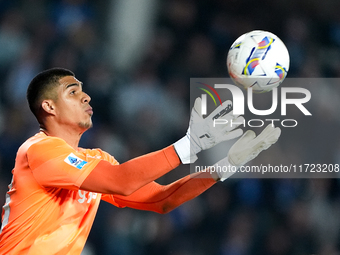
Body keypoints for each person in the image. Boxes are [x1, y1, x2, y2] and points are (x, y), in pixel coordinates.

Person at [0, 68, 280, 254]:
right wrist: (190, 145)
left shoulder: (97, 160)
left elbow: (161, 200)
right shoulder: (39, 150)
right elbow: (120, 182)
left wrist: (224, 166)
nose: (85, 95)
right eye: (72, 92)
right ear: (48, 107)